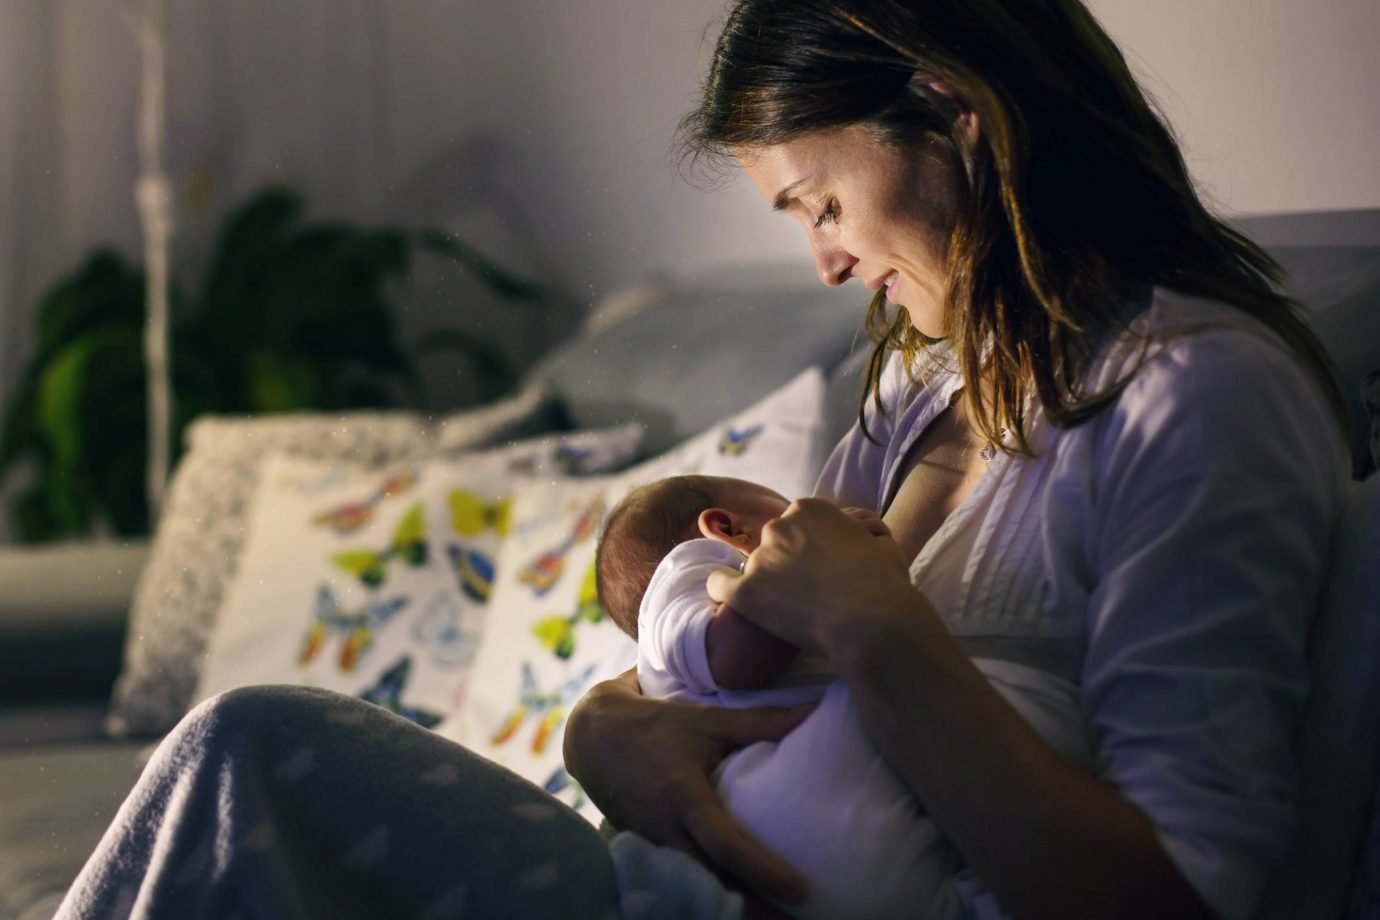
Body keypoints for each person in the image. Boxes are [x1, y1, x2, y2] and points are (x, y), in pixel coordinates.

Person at [57, 1, 1351, 918]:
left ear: (958, 116)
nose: (828, 263)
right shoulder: (926, 381)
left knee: (253, 762)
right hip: (684, 878)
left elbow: (1177, 892)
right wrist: (597, 730)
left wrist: (888, 639)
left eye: (822, 203)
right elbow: (736, 654)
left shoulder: (1194, 400)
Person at [596, 473, 1093, 919]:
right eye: (786, 509)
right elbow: (734, 655)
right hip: (807, 834)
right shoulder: (684, 576)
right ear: (727, 528)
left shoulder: (680, 659)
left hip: (837, 854)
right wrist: (834, 573)